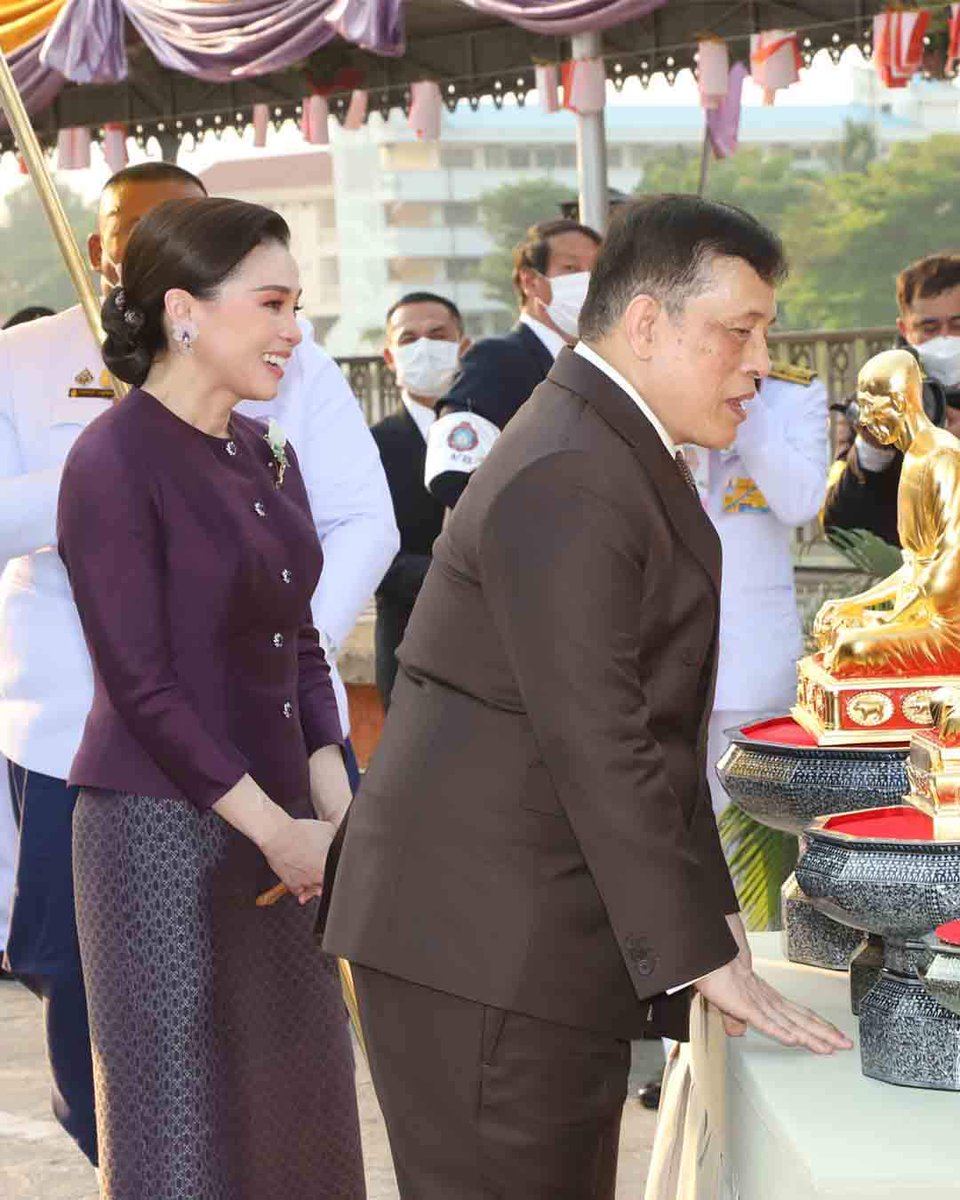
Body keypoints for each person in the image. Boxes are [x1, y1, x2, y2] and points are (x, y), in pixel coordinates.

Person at [324, 195, 851, 1199]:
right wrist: (702, 954)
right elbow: (601, 739)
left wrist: (714, 923)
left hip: (529, 936)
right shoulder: (570, 467)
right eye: (739, 331)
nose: (759, 364)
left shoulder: (610, 443)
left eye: (765, 334)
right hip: (478, 944)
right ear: (647, 323)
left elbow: (653, 733)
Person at [0, 161, 396, 1165]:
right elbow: (141, 687)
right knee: (179, 1133)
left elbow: (299, 643)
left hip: (282, 824)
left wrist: (332, 814)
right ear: (184, 312)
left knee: (299, 1118)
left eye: (296, 305)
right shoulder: (112, 459)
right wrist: (280, 832)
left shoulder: (267, 454)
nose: (294, 331)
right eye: (272, 304)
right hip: (156, 832)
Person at [697, 362, 829, 816]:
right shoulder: (662, 380)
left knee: (744, 838)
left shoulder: (791, 395)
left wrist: (746, 405)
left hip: (748, 664)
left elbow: (800, 502)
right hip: (659, 652)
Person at [426, 217, 601, 508]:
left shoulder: (593, 367)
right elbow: (453, 475)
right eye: (571, 268)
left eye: (596, 270)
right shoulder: (495, 360)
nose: (587, 280)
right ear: (530, 281)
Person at [823, 252, 960, 546]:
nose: (946, 338)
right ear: (905, 330)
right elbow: (840, 528)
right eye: (930, 328)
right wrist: (873, 450)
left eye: (957, 325)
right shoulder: (876, 405)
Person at [373, 291, 467, 706]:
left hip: (500, 658)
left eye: (438, 335)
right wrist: (463, 577)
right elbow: (374, 558)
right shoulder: (370, 446)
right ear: (389, 357)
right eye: (409, 339)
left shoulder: (498, 431)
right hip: (410, 655)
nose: (424, 347)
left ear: (463, 347)